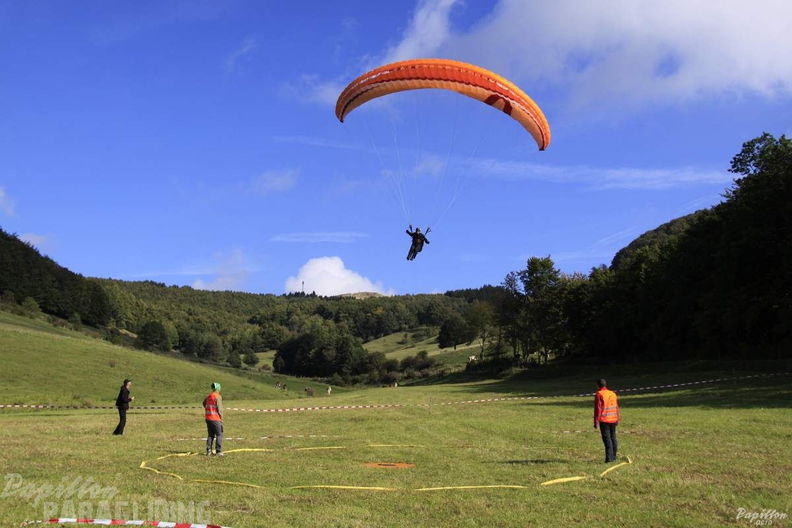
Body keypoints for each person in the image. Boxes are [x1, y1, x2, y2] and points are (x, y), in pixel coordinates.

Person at [593, 378, 620, 463]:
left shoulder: (599, 394)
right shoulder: (612, 393)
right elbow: (616, 407)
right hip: (613, 418)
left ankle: (609, 458)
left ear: (597, 385)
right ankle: (614, 457)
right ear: (605, 384)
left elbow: (598, 409)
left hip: (605, 420)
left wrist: (595, 421)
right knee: (613, 437)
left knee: (607, 439)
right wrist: (617, 418)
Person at [203, 382, 224, 456]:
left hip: (208, 418)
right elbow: (220, 409)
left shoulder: (208, 396)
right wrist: (221, 418)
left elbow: (204, 403)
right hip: (215, 418)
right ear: (218, 388)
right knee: (219, 434)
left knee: (210, 435)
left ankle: (208, 450)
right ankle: (218, 451)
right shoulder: (218, 396)